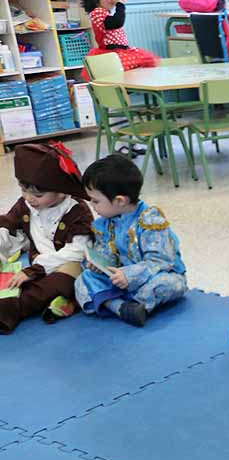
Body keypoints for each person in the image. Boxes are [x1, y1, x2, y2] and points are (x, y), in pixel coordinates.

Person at [74, 154, 186, 327]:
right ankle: (120, 307)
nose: (93, 207)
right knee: (84, 279)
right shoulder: (106, 222)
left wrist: (130, 275)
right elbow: (108, 254)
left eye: (96, 201)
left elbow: (161, 261)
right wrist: (98, 264)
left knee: (167, 284)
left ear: (119, 201)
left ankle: (121, 303)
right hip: (119, 279)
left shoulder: (150, 220)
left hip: (152, 276)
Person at [0, 142, 91, 333]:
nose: (28, 198)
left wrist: (35, 270)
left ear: (61, 190)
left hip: (67, 267)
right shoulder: (27, 204)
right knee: (14, 284)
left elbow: (77, 251)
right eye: (23, 190)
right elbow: (8, 226)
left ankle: (12, 310)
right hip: (36, 268)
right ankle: (61, 302)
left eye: (38, 195)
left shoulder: (77, 211)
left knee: (48, 287)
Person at [80, 0, 157, 71]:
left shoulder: (103, 12)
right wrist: (119, 4)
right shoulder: (97, 13)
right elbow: (117, 22)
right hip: (113, 54)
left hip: (120, 52)